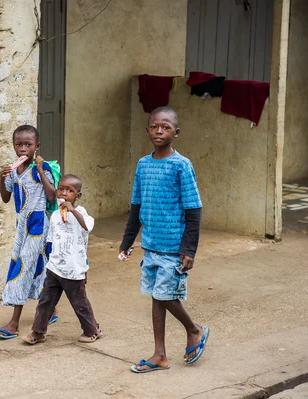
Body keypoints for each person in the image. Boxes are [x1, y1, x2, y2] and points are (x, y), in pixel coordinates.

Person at [119, 106, 209, 373]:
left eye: (166, 127)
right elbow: (136, 205)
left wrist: (189, 249)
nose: (159, 131)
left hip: (173, 247)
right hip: (151, 245)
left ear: (176, 132)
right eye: (155, 126)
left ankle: (194, 330)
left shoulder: (181, 165)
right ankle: (159, 355)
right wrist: (127, 240)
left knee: (166, 296)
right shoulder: (143, 164)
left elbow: (194, 211)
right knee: (156, 298)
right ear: (148, 130)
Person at [0, 125, 57, 339]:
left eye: (28, 145)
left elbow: (51, 197)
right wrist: (2, 178)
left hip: (38, 225)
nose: (22, 149)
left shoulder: (43, 168)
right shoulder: (13, 170)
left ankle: (14, 323)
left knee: (22, 267)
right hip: (22, 226)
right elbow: (5, 197)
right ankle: (51, 309)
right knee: (39, 267)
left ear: (37, 146)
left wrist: (39, 169)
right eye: (18, 144)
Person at [22, 174, 101, 345]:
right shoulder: (56, 215)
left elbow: (87, 226)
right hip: (54, 268)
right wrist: (49, 262)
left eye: (69, 191)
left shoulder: (81, 213)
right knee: (45, 302)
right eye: (61, 189)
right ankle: (38, 332)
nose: (64, 194)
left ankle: (92, 330)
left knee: (80, 304)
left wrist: (72, 210)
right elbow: (51, 240)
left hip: (73, 270)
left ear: (77, 195)